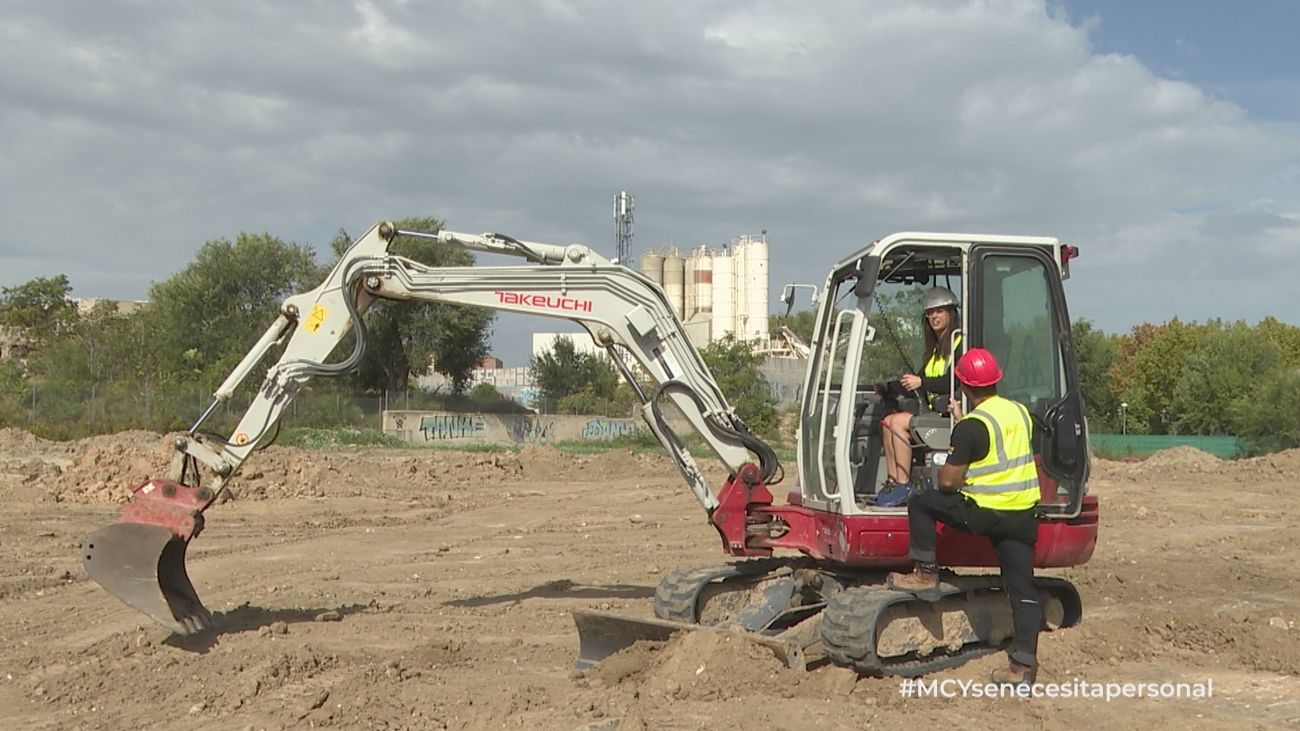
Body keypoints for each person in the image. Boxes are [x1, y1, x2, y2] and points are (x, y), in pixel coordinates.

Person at [885, 347, 1043, 687]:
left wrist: (956, 445)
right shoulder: (1019, 412)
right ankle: (1022, 668)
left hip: (985, 512)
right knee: (1022, 589)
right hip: (1022, 514)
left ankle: (926, 572)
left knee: (923, 502)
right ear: (996, 381)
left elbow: (948, 483)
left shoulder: (972, 427)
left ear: (965, 386)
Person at [874, 287, 962, 507]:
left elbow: (954, 382)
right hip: (936, 413)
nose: (934, 316)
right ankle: (893, 482)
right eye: (930, 313)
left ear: (951, 313)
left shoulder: (960, 343)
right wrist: (890, 386)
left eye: (940, 311)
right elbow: (918, 384)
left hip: (952, 413)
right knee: (887, 421)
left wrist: (922, 382)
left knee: (898, 422)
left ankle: (904, 485)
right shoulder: (934, 351)